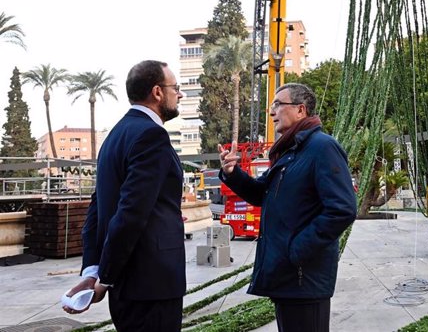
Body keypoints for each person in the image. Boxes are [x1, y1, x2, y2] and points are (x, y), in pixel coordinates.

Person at [218, 83, 357, 332]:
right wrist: (232, 173)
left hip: (305, 278)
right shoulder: (289, 152)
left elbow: (342, 209)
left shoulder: (322, 147)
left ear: (300, 110)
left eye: (278, 105)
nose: (272, 112)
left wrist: (297, 249)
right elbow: (262, 193)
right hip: (287, 276)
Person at [63, 60, 186, 332]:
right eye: (175, 88)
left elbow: (99, 207)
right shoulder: (151, 136)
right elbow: (131, 214)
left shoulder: (115, 136)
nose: (179, 94)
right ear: (157, 92)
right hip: (151, 287)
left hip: (127, 288)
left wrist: (94, 270)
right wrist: (104, 278)